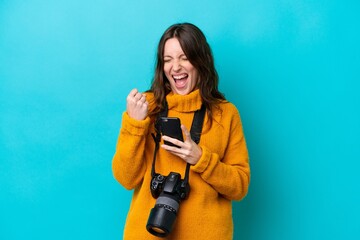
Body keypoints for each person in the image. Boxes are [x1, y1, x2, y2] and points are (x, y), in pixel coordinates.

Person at [112, 23, 250, 240]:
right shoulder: (146, 107)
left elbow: (239, 186)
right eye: (168, 60)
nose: (175, 67)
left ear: (200, 61)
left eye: (184, 57)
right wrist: (135, 125)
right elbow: (126, 178)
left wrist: (201, 159)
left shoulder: (226, 114)